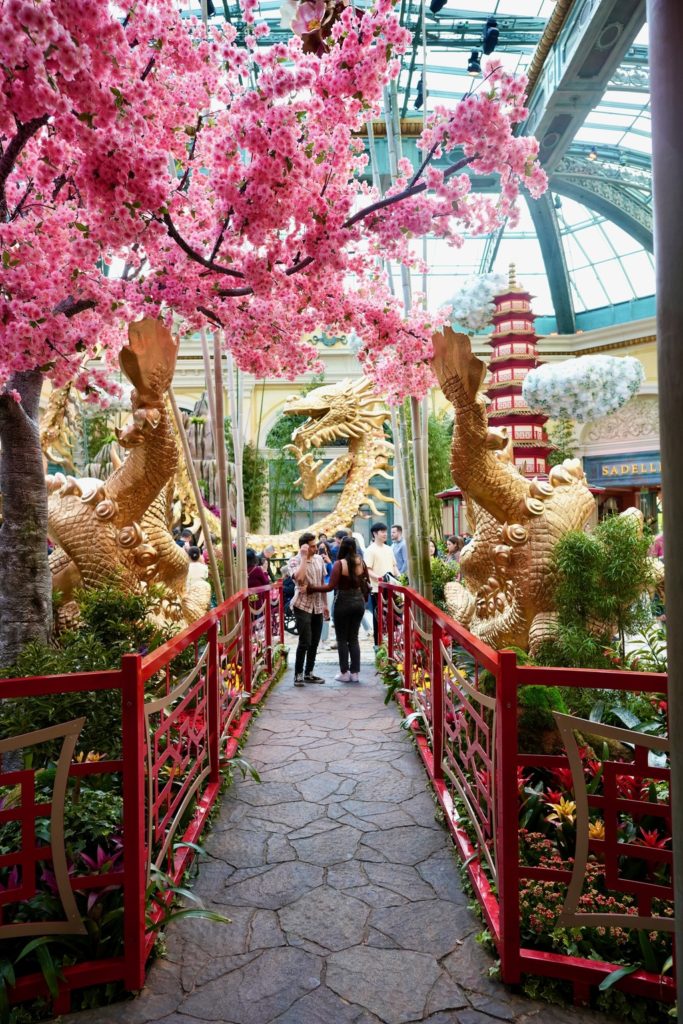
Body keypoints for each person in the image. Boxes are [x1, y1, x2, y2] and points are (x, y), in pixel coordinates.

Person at [307, 536, 370, 683]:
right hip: (358, 602)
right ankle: (355, 673)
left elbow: (330, 586)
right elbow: (366, 582)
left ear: (342, 547)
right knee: (353, 638)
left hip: (343, 603)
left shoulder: (339, 564)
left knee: (342, 639)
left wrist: (311, 588)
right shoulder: (361, 562)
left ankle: (344, 673)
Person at [288, 532, 328, 686]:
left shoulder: (319, 559)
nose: (315, 548)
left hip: (317, 604)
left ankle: (309, 672)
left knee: (315, 641)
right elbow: (298, 578)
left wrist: (325, 604)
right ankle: (298, 673)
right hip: (302, 604)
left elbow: (322, 582)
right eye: (312, 546)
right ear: (304, 547)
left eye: (315, 545)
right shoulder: (294, 560)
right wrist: (304, 558)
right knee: (305, 640)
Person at [364, 522, 399, 647]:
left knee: (393, 617)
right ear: (375, 533)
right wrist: (379, 578)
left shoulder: (389, 548)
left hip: (392, 588)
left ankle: (392, 645)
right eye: (382, 532)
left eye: (385, 531)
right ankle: (378, 645)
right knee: (378, 618)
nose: (385, 534)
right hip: (377, 589)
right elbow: (367, 569)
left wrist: (400, 578)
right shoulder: (370, 550)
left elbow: (394, 567)